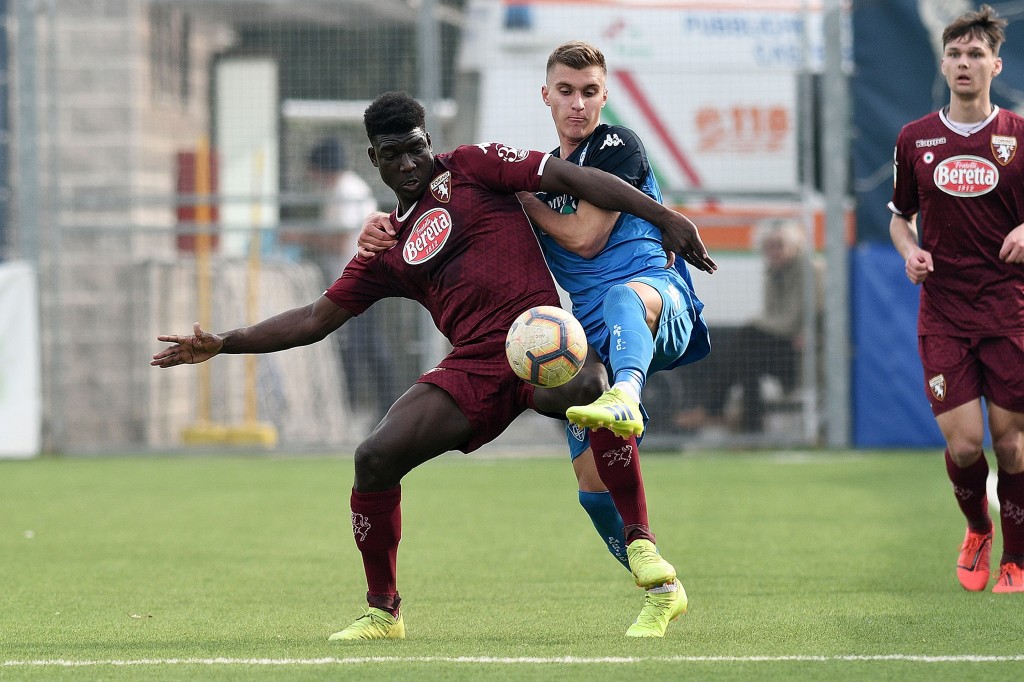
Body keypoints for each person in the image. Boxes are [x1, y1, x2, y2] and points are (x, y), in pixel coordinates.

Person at [152, 91, 717, 642]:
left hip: (540, 337)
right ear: (373, 160)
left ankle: (641, 541)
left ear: (430, 142)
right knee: (373, 458)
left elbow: (572, 180)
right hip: (471, 368)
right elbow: (314, 319)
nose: (409, 163)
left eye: (416, 148)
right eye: (393, 154)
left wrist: (665, 216)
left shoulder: (474, 167)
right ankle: (383, 612)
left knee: (590, 386)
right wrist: (223, 342)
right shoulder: (386, 246)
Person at [357, 42, 713, 637]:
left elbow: (584, 239)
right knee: (594, 492)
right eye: (566, 92)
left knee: (623, 302)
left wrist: (524, 198)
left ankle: (624, 390)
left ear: (605, 95)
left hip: (656, 304)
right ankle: (662, 589)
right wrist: (383, 221)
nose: (579, 104)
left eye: (590, 91)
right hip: (591, 337)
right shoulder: (540, 171)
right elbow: (439, 180)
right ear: (544, 96)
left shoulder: (616, 146)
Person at [888, 5, 1024, 594]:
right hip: (943, 312)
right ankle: (978, 528)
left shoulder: (1018, 137)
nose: (965, 63)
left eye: (976, 54)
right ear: (942, 64)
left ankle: (1017, 561)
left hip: (1008, 311)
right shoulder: (915, 138)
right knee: (967, 444)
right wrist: (908, 251)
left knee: (1012, 442)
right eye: (956, 54)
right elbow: (898, 217)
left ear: (995, 64)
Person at [675, 218, 823, 434]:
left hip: (807, 353)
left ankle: (718, 409)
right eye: (769, 247)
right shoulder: (774, 273)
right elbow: (777, 319)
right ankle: (750, 424)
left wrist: (756, 324)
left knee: (747, 337)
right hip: (787, 346)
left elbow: (790, 320)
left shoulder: (809, 270)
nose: (774, 252)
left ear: (794, 246)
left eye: (779, 246)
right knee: (747, 356)